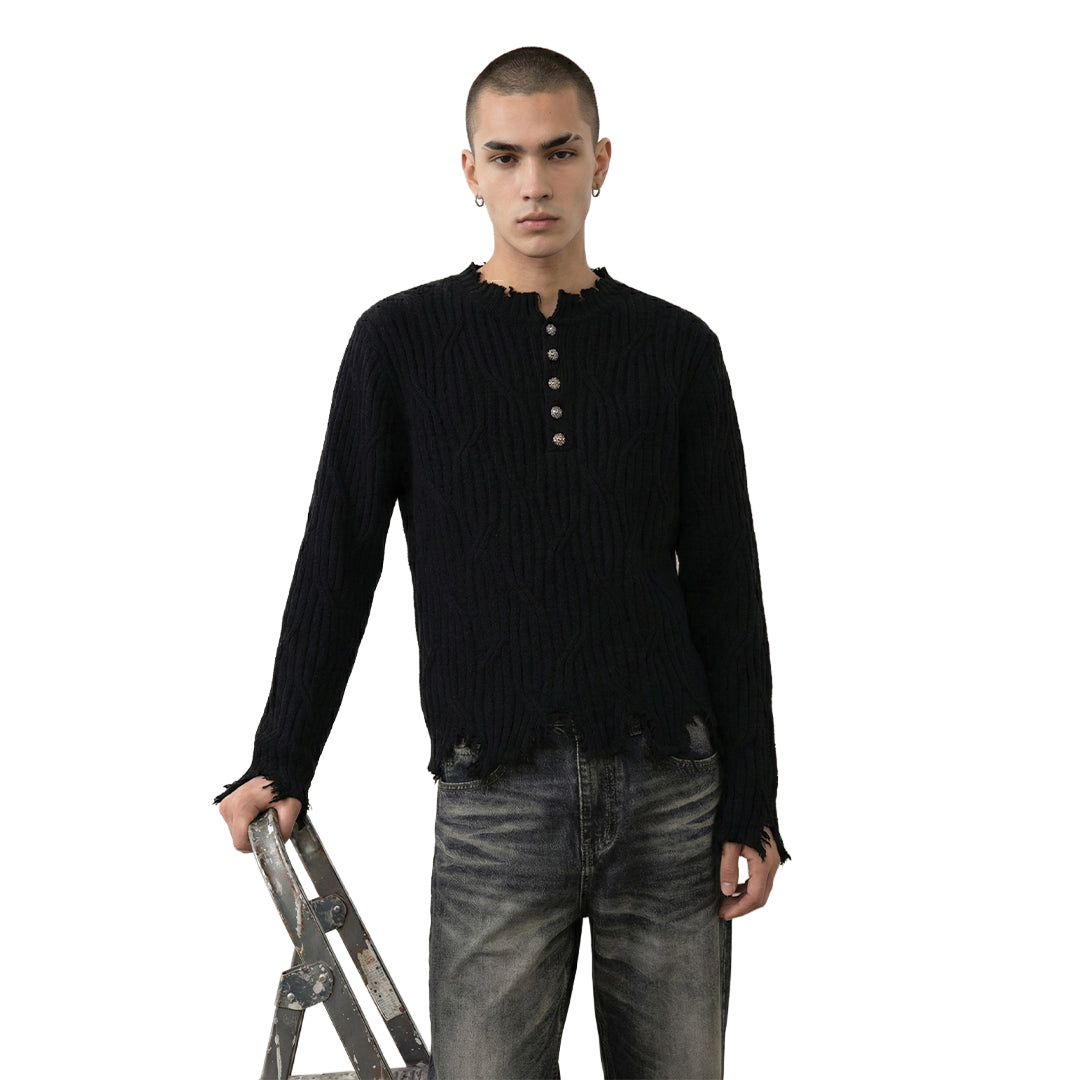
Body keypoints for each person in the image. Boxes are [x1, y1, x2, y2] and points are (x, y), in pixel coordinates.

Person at [217, 45, 790, 1080]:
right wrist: (280, 758)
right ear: (470, 171)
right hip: (496, 801)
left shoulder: (678, 349)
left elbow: (724, 585)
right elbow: (338, 557)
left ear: (601, 162)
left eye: (560, 153)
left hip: (673, 797)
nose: (535, 183)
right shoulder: (400, 342)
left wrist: (753, 797)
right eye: (507, 156)